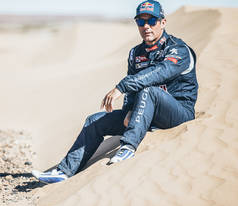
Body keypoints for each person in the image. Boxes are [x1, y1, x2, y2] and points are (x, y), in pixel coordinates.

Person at [32, 0, 198, 184]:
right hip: (145, 115)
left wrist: (121, 87)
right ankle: (64, 172)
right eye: (141, 22)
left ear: (163, 22)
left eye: (152, 21)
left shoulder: (178, 49)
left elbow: (159, 72)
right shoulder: (136, 53)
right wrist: (128, 110)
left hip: (179, 113)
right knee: (94, 121)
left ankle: (127, 147)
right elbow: (132, 95)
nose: (146, 27)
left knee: (149, 91)